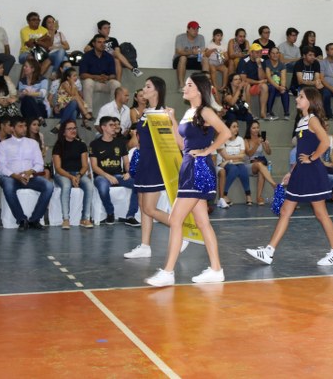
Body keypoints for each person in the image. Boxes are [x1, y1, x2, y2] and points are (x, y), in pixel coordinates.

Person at [145, 73, 230, 287]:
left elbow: (225, 133)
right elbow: (182, 144)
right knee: (202, 222)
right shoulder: (188, 113)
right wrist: (173, 121)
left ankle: (168, 271)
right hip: (188, 166)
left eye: (189, 85)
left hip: (197, 169)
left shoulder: (206, 111)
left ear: (199, 89)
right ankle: (216, 269)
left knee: (175, 220)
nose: (185, 87)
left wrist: (207, 151)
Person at [246, 87, 333, 266]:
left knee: (321, 213)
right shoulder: (302, 121)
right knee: (285, 211)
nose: (297, 99)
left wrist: (312, 158)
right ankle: (269, 251)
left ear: (310, 101)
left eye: (301, 97)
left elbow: (325, 142)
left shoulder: (312, 120)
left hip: (312, 172)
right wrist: (292, 171)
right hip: (300, 171)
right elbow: (301, 151)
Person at [125, 76, 189, 261]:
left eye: (148, 86)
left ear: (157, 91)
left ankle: (181, 230)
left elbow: (180, 143)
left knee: (149, 208)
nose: (143, 89)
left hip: (155, 165)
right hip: (143, 163)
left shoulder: (164, 113)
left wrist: (173, 119)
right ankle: (145, 246)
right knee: (142, 206)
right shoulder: (145, 113)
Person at [0, 116, 54, 230]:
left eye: (25, 126)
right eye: (20, 126)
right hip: (11, 178)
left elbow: (39, 164)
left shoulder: (33, 143)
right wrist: (15, 175)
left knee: (49, 186)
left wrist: (30, 171)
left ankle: (35, 219)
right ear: (12, 128)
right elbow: (0, 167)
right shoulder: (4, 144)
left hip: (30, 177)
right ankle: (21, 219)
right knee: (8, 186)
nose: (24, 129)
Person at [90, 116, 139, 225]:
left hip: (118, 175)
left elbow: (126, 163)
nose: (114, 127)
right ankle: (110, 212)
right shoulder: (95, 144)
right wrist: (108, 176)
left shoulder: (120, 143)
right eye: (111, 125)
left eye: (115, 125)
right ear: (103, 127)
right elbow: (94, 167)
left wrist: (129, 172)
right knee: (103, 187)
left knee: (137, 184)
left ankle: (130, 216)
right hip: (101, 176)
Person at [80, 34, 122, 113]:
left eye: (104, 42)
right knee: (87, 82)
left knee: (116, 84)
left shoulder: (109, 56)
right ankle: (88, 111)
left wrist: (107, 77)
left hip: (105, 83)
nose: (102, 44)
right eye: (99, 42)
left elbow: (113, 75)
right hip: (93, 83)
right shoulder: (87, 56)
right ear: (94, 44)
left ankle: (112, 111)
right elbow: (82, 75)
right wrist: (96, 77)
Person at [217, 119, 252, 207]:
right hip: (224, 163)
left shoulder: (240, 140)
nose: (236, 129)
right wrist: (235, 158)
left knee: (243, 169)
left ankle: (248, 195)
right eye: (234, 127)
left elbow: (242, 156)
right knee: (234, 169)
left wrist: (230, 159)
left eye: (237, 126)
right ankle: (224, 195)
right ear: (228, 128)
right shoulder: (222, 139)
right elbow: (224, 158)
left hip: (234, 162)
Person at [244, 120, 277, 206]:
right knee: (259, 165)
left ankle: (259, 197)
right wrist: (256, 144)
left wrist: (267, 145)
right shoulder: (246, 140)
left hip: (260, 164)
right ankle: (274, 185)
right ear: (249, 129)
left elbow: (269, 152)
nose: (256, 130)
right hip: (248, 165)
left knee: (261, 170)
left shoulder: (261, 139)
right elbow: (249, 153)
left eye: (257, 128)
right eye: (254, 128)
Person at [237, 43, 269, 120]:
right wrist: (258, 82)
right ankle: (249, 111)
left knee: (264, 86)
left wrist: (259, 65)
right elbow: (244, 79)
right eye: (257, 52)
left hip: (255, 86)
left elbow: (262, 77)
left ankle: (263, 112)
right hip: (245, 85)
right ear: (251, 53)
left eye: (260, 52)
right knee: (246, 85)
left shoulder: (262, 61)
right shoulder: (244, 61)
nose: (259, 54)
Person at [173, 20, 207, 87]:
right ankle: (181, 85)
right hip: (180, 61)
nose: (196, 31)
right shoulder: (180, 37)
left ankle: (206, 85)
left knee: (205, 59)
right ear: (188, 29)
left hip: (195, 59)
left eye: (197, 29)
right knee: (183, 58)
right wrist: (192, 52)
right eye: (194, 29)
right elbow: (179, 51)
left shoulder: (201, 37)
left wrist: (200, 55)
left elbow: (202, 52)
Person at [264, 46, 291, 121]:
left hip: (278, 86)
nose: (275, 55)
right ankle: (269, 112)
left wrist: (282, 87)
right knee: (272, 88)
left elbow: (283, 78)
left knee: (285, 90)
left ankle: (286, 113)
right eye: (273, 53)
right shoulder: (267, 63)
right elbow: (269, 78)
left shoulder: (282, 65)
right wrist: (278, 87)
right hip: (267, 85)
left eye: (277, 53)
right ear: (269, 55)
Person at [205, 28, 228, 92]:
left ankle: (224, 86)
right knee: (213, 69)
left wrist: (224, 57)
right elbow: (206, 55)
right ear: (214, 36)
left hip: (220, 63)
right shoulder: (210, 45)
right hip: (211, 63)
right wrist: (212, 50)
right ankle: (215, 86)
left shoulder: (223, 46)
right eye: (218, 35)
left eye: (221, 36)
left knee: (226, 70)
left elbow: (226, 57)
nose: (219, 37)